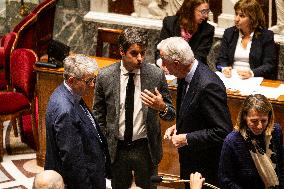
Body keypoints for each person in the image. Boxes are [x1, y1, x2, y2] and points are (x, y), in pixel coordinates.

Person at [93, 28, 175, 189]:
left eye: (143, 53)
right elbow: (98, 115)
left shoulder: (156, 75)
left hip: (145, 148)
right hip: (118, 149)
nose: (140, 58)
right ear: (121, 52)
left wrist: (162, 107)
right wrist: (105, 142)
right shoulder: (105, 76)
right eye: (134, 53)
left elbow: (171, 114)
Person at [160, 37, 232, 188]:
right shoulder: (183, 75)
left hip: (206, 167)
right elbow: (193, 112)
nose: (162, 66)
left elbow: (223, 131)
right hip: (190, 161)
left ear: (176, 64)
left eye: (163, 61)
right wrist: (179, 126)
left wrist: (186, 138)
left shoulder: (209, 85)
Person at [45, 54, 110, 189]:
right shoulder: (65, 110)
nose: (92, 85)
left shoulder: (68, 93)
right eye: (88, 81)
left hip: (92, 171)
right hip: (84, 181)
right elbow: (73, 161)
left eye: (93, 79)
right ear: (71, 80)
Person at [219, 94, 284, 188]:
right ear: (245, 117)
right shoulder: (232, 141)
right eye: (254, 121)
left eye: (264, 121)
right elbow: (225, 180)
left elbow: (281, 167)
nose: (260, 126)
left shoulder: (275, 132)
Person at [215, 0, 277, 80]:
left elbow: (269, 65)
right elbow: (220, 61)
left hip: (254, 79)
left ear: (252, 18)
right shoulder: (229, 33)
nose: (236, 19)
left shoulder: (266, 36)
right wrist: (224, 68)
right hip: (231, 78)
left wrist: (252, 73)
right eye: (236, 14)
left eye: (242, 16)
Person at [156, 0, 214, 66]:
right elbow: (160, 50)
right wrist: (162, 64)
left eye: (207, 12)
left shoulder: (207, 30)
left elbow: (200, 57)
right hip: (168, 68)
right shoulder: (170, 23)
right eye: (203, 12)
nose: (206, 15)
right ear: (190, 10)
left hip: (193, 70)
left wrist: (178, 68)